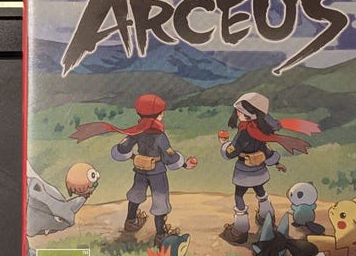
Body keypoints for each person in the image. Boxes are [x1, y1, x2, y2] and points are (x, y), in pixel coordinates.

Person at [71, 93, 197, 246]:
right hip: (157, 172)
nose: (163, 115)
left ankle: (131, 221)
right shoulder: (160, 136)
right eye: (161, 113)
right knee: (160, 200)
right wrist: (184, 164)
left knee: (136, 193)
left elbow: (123, 148)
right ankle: (161, 235)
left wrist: (133, 156)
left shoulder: (137, 132)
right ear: (157, 115)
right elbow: (169, 156)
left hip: (140, 170)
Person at [218, 92, 319, 245]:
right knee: (260, 191)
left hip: (244, 171)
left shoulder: (244, 133)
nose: (238, 113)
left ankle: (240, 230)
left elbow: (231, 153)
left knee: (239, 195)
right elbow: (266, 150)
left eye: (240, 111)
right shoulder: (260, 131)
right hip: (259, 170)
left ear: (247, 114)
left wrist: (224, 144)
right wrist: (276, 162)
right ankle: (267, 217)